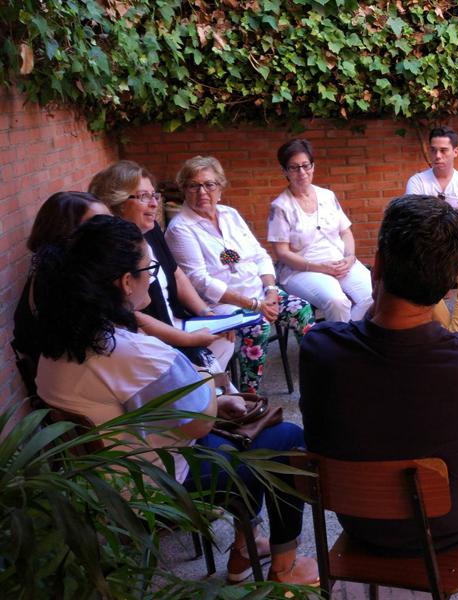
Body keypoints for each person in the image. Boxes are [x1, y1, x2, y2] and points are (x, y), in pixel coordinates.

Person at [32, 215, 318, 585]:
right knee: (287, 441)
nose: (152, 276)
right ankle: (284, 567)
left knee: (248, 438)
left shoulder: (60, 341)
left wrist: (211, 403)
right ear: (125, 282)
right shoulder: (130, 350)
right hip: (152, 483)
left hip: (104, 479)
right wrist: (213, 391)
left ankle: (247, 548)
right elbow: (197, 423)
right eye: (148, 268)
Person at [299, 195, 458, 552]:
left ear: (376, 268)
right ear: (447, 288)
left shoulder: (320, 349)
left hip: (362, 525)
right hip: (452, 530)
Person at [165, 156, 315, 393]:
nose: (203, 191)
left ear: (220, 187)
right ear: (184, 189)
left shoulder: (230, 214)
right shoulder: (180, 228)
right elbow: (200, 281)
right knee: (258, 328)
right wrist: (255, 305)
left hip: (261, 294)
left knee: (302, 309)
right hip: (222, 305)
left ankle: (316, 373)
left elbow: (260, 255)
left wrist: (271, 291)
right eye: (194, 185)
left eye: (209, 184)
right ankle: (248, 396)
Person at [89, 160, 235, 373]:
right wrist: (189, 339)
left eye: (153, 195)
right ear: (117, 202)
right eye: (143, 196)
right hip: (154, 342)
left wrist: (206, 313)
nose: (154, 204)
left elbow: (176, 274)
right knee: (212, 378)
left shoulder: (151, 230)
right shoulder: (114, 251)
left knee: (225, 339)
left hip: (176, 322)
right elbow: (133, 319)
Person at [267, 139, 372, 322]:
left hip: (341, 263)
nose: (302, 172)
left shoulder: (327, 196)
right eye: (294, 167)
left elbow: (345, 232)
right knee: (337, 302)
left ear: (313, 166)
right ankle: (340, 347)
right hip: (303, 270)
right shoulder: (281, 207)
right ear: (284, 171)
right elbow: (282, 253)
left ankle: (350, 338)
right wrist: (320, 267)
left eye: (306, 165)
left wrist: (350, 257)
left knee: (373, 295)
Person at [12, 191, 111, 375]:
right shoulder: (63, 284)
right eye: (98, 224)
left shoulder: (60, 270)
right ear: (67, 232)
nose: (111, 231)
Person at [405, 126, 458, 332]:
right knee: (424, 283)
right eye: (433, 150)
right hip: (428, 248)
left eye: (444, 150)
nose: (437, 156)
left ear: (455, 151)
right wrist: (457, 212)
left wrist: (434, 211)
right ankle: (454, 338)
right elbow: (416, 221)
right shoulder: (417, 182)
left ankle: (452, 336)